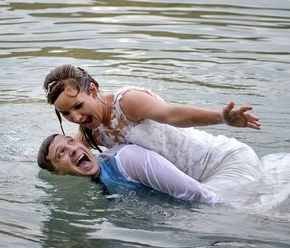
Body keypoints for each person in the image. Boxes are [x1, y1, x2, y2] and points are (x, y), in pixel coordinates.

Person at [43, 64, 262, 195]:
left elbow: (171, 114)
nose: (75, 117)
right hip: (194, 183)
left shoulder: (127, 101)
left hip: (222, 162)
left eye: (78, 106)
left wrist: (221, 118)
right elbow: (65, 157)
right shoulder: (89, 131)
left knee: (223, 211)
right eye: (66, 114)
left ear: (92, 90)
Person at [37, 134, 218, 204]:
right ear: (58, 172)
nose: (73, 149)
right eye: (62, 152)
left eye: (71, 142)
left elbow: (196, 192)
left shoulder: (127, 158)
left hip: (217, 190)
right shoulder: (92, 179)